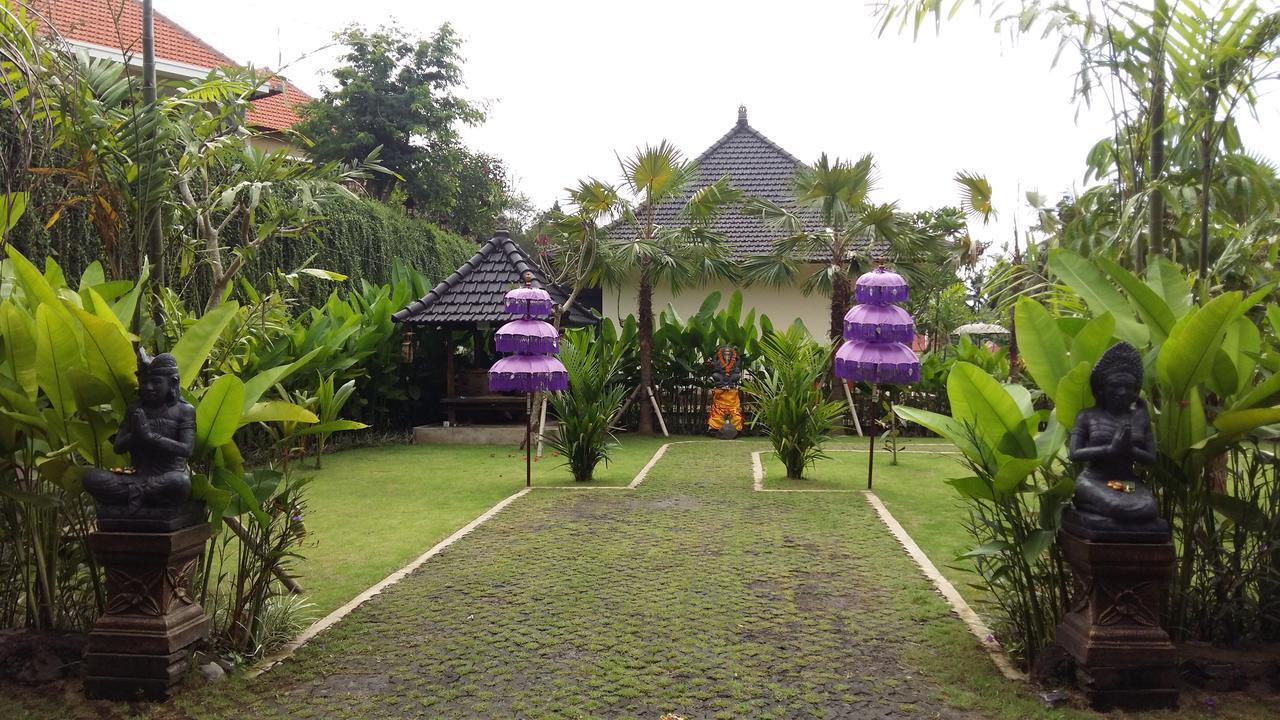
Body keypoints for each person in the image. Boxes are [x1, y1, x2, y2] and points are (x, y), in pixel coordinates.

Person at [1066, 342, 1166, 535]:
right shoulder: (1087, 416)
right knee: (1116, 506)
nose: (1122, 392)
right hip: (1094, 479)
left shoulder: (1139, 418)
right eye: (1116, 386)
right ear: (1102, 389)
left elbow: (1151, 458)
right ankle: (1088, 506)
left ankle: (1100, 511)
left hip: (1126, 484)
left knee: (1149, 509)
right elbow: (1075, 453)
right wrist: (1110, 450)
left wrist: (1130, 450)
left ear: (1135, 391)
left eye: (1128, 387)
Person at [84, 352, 195, 514]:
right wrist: (135, 436)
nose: (148, 387)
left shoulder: (184, 411)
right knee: (90, 477)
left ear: (172, 382)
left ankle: (134, 495)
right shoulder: (135, 409)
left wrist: (151, 437)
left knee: (180, 483)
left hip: (167, 478)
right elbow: (118, 447)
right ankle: (143, 494)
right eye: (144, 382)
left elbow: (186, 449)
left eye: (156, 382)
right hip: (137, 476)